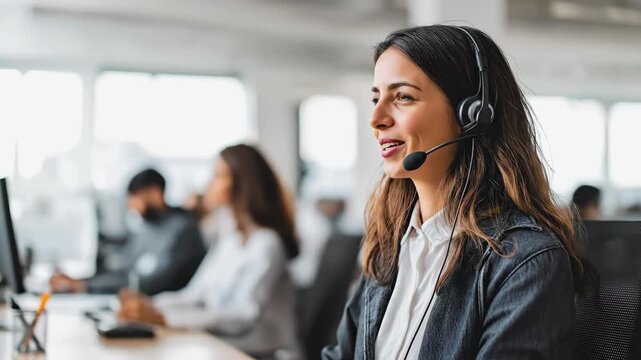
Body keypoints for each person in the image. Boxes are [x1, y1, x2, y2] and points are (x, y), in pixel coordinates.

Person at [322, 25, 582, 359]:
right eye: (376, 98)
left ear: (473, 115)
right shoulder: (391, 242)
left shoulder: (525, 260)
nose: (376, 118)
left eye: (402, 97)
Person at [118, 144, 301, 358]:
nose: (209, 184)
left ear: (242, 185)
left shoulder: (266, 244)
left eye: (218, 176)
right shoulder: (230, 241)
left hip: (257, 355)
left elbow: (243, 316)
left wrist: (163, 317)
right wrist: (150, 305)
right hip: (222, 348)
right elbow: (195, 295)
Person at [50, 169, 206, 295]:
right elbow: (126, 272)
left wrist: (86, 287)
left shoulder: (182, 230)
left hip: (168, 313)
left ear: (155, 192)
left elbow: (149, 284)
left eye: (135, 197)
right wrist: (81, 282)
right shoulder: (148, 229)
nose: (131, 206)